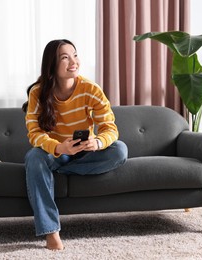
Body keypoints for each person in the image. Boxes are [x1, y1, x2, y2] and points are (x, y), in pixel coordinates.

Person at [22, 39, 128, 250]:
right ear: (52, 64)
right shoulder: (38, 92)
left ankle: (59, 172)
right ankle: (51, 232)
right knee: (34, 157)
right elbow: (34, 134)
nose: (73, 61)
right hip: (56, 152)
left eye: (75, 55)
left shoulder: (90, 89)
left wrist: (97, 142)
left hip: (85, 153)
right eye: (65, 57)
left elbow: (110, 128)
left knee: (120, 150)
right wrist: (59, 147)